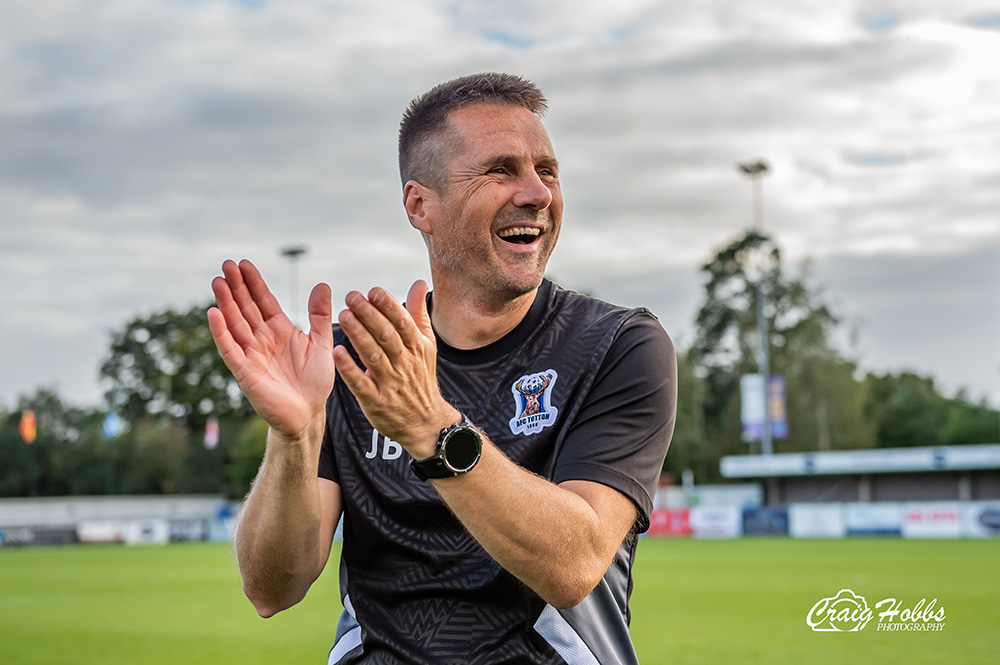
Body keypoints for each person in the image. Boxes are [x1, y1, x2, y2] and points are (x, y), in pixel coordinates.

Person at [208, 72, 676, 665]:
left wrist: (431, 429)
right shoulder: (356, 363)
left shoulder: (617, 345)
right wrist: (294, 437)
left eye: (548, 170)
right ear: (420, 205)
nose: (537, 193)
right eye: (501, 170)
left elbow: (576, 563)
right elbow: (272, 588)